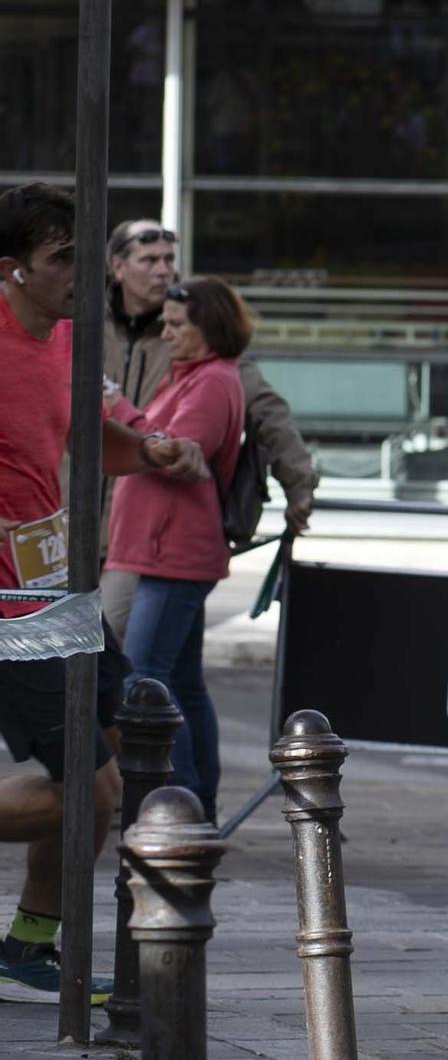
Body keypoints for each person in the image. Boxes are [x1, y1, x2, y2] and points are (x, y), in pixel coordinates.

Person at [0, 183, 205, 1001]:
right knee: (91, 788)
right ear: (12, 269)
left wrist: (149, 452)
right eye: (61, 258)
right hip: (8, 607)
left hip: (55, 587)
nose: (80, 273)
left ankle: (29, 941)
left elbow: (83, 436)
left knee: (122, 750)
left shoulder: (68, 340)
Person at [99, 218, 318, 638]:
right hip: (74, 520)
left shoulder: (199, 339)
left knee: (113, 656)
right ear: (117, 267)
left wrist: (299, 484)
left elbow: (269, 412)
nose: (164, 270)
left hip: (149, 529)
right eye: (149, 260)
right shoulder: (83, 327)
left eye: (169, 260)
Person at [105, 278, 255, 826]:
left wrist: (118, 406)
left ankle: (181, 801)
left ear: (208, 328)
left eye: (176, 325)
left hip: (175, 552)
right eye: (164, 323)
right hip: (160, 549)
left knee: (143, 676)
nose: (165, 333)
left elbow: (170, 451)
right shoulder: (192, 375)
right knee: (182, 681)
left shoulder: (213, 381)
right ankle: (196, 803)